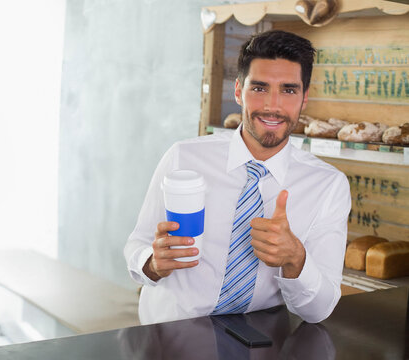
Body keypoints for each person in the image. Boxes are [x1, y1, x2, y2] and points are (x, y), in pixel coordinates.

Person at [124, 30, 351, 325]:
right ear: (238, 91)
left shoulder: (328, 186)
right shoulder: (183, 158)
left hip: (258, 342)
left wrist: (296, 258)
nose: (273, 105)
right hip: (168, 334)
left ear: (304, 98)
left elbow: (318, 311)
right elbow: (137, 245)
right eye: (259, 88)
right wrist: (153, 263)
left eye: (288, 90)